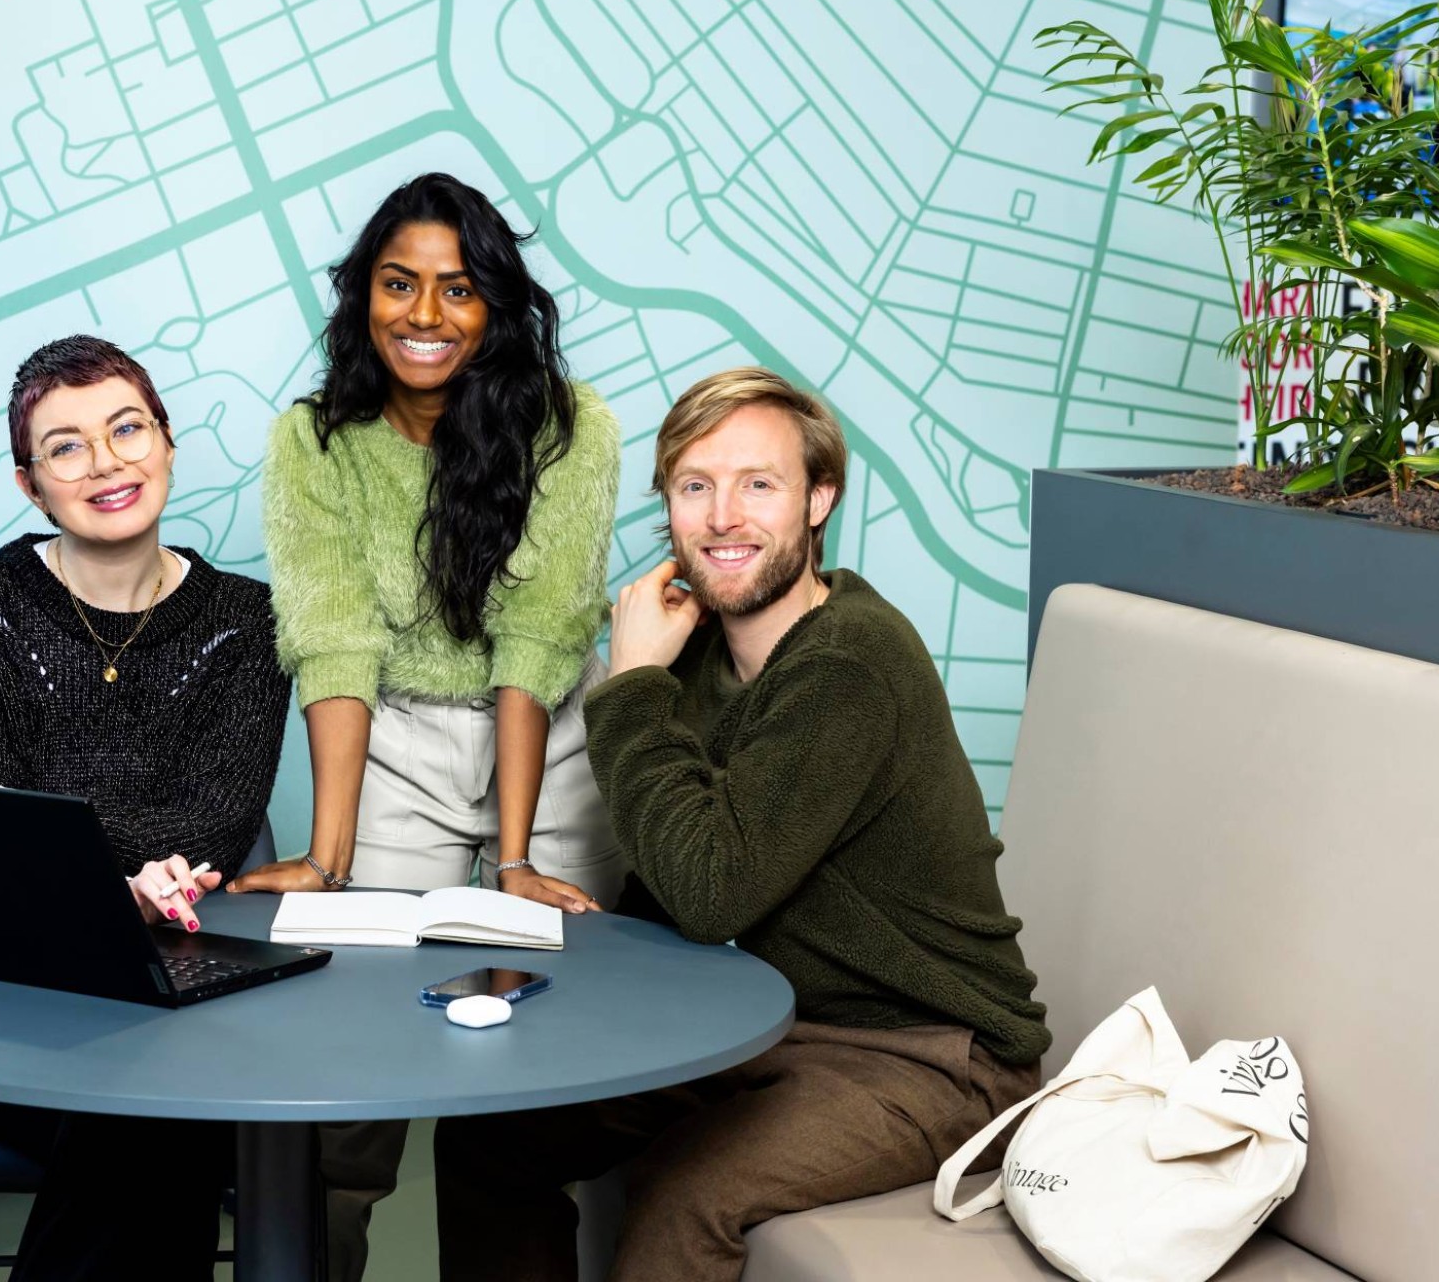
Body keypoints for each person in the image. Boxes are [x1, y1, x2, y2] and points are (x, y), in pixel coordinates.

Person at [434, 367, 1052, 1282]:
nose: (723, 516)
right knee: (492, 1134)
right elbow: (667, 882)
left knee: (687, 1195)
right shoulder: (701, 660)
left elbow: (712, 892)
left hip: (929, 1057)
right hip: (761, 1024)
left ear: (818, 500)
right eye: (695, 487)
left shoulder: (850, 661)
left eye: (758, 484)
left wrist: (631, 683)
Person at [228, 172, 627, 1279]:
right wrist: (330, 854)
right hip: (392, 739)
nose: (426, 315)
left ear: (496, 305)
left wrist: (511, 855)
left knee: (543, 1057)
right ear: (364, 296)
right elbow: (337, 641)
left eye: (458, 290)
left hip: (544, 740)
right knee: (357, 1051)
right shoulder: (311, 442)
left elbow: (540, 642)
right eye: (400, 285)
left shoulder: (574, 428)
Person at [0, 334, 290, 1280]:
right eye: (66, 446)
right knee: (168, 1113)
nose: (106, 462)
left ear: (166, 443)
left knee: (158, 1098)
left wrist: (50, 846)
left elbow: (212, 827)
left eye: (127, 429)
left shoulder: (250, 619)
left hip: (163, 985)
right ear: (31, 484)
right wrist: (118, 878)